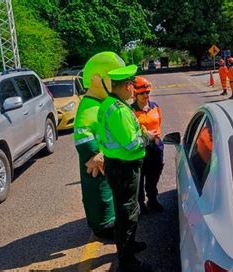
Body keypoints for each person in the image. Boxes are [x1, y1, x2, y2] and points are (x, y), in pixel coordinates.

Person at [97, 60, 156, 272]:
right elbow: (131, 145)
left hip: (117, 164)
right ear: (126, 86)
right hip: (124, 168)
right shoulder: (119, 110)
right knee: (127, 213)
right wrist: (147, 138)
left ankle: (128, 246)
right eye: (132, 85)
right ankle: (127, 262)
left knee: (127, 210)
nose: (134, 89)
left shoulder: (109, 104)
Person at [73, 52, 119, 240]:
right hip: (97, 163)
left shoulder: (100, 103)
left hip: (107, 160)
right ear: (96, 79)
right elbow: (82, 134)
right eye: (112, 80)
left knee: (107, 189)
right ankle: (102, 225)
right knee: (98, 191)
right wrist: (92, 153)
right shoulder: (88, 107)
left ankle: (110, 220)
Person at [131, 76, 164, 214]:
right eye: (142, 93)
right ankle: (140, 204)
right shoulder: (130, 111)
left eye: (147, 92)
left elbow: (159, 122)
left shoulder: (155, 106)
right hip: (141, 147)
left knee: (154, 176)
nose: (145, 95)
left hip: (156, 147)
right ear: (135, 94)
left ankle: (152, 199)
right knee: (140, 177)